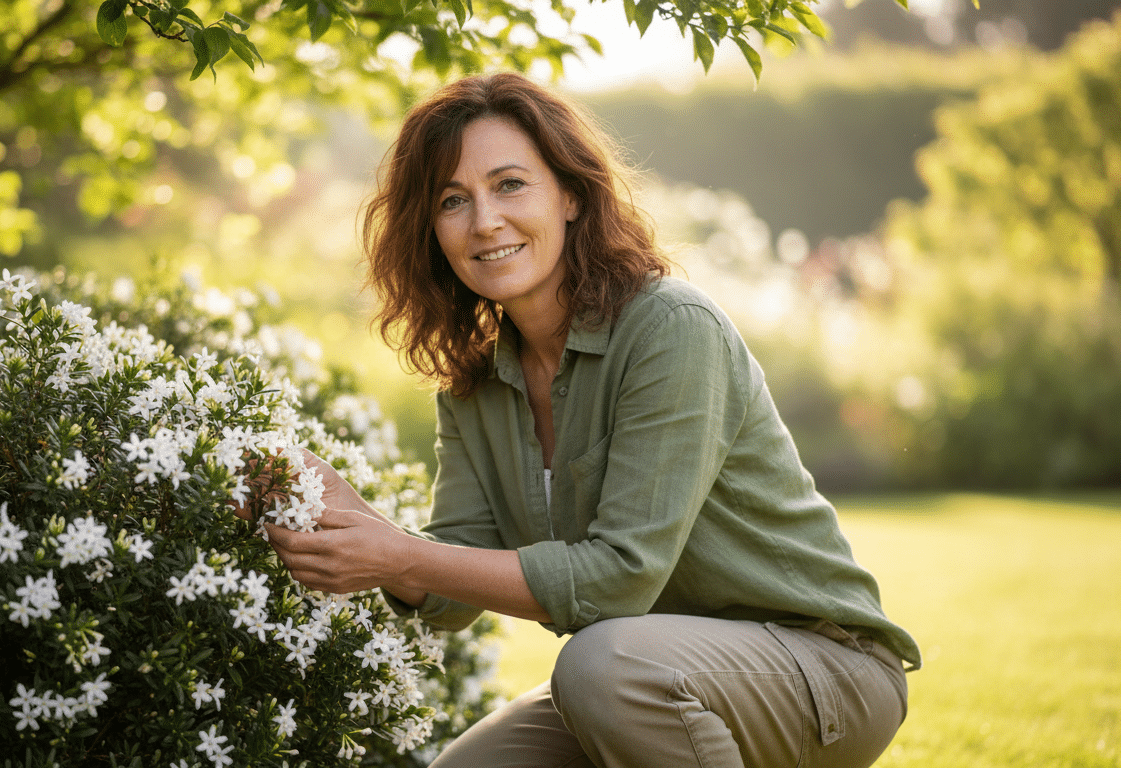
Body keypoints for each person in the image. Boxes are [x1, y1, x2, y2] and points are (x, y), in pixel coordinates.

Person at [263, 72, 920, 768]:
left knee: (598, 667)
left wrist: (402, 554)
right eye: (453, 201)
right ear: (431, 232)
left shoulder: (672, 329)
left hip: (823, 670)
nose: (485, 220)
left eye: (510, 184)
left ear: (572, 195)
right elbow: (450, 582)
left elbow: (619, 580)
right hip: (648, 672)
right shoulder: (473, 384)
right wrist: (359, 527)